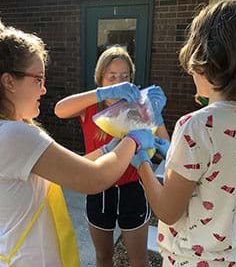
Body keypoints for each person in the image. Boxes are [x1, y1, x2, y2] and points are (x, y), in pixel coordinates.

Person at [0, 16, 158, 267]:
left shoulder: (5, 131)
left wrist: (109, 147)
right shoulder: (11, 136)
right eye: (38, 79)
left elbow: (74, 167)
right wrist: (133, 139)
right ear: (9, 82)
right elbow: (93, 178)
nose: (44, 89)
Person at [126, 0, 236, 266]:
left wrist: (140, 161)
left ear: (208, 57)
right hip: (235, 255)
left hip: (191, 259)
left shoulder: (196, 125)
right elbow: (214, 167)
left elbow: (167, 211)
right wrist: (169, 146)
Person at [54, 46, 169, 267]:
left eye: (124, 76)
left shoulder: (138, 106)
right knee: (104, 257)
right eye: (112, 77)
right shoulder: (90, 107)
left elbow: (166, 148)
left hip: (133, 187)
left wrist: (156, 114)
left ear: (131, 78)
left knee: (139, 259)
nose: (118, 81)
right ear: (101, 78)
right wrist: (101, 94)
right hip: (98, 188)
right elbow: (60, 109)